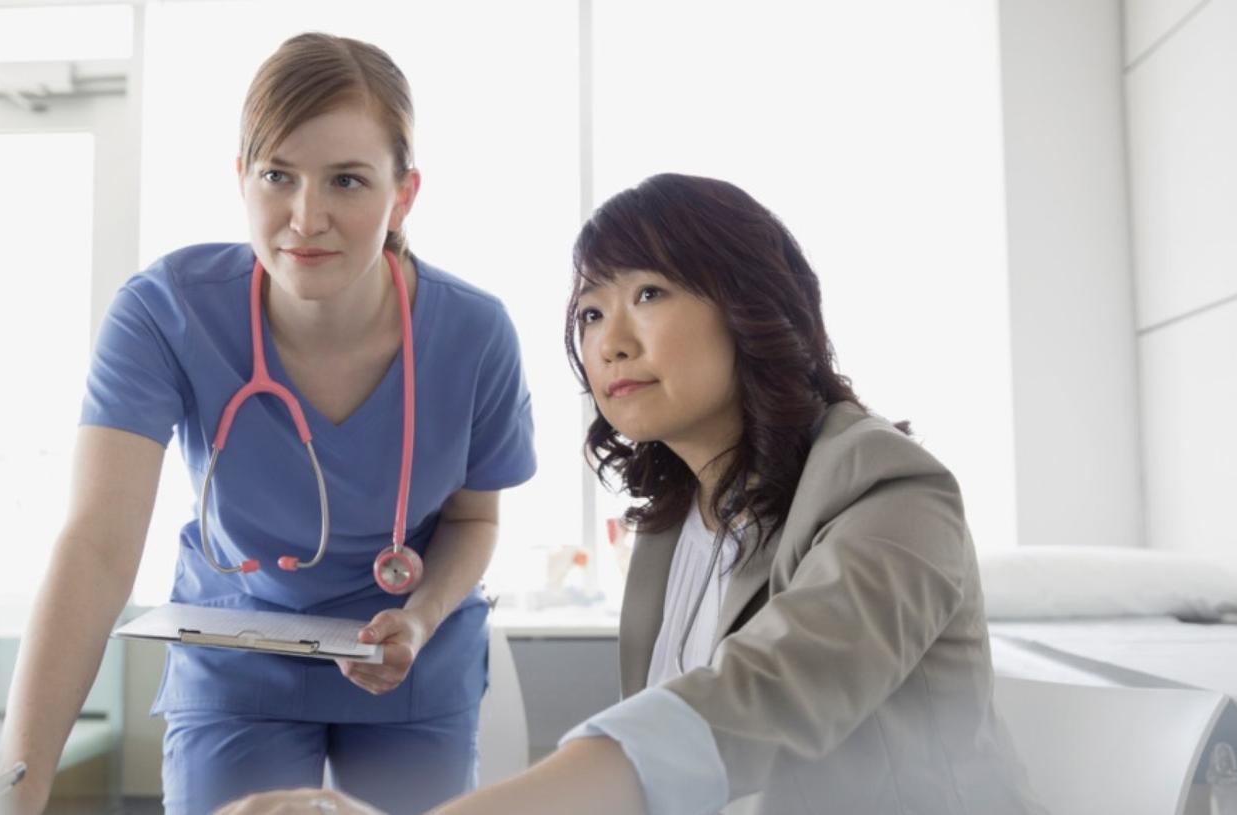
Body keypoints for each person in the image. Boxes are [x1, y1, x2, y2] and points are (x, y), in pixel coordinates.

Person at [216, 173, 1046, 815]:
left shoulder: (888, 490)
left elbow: (755, 700)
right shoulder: (673, 527)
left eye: (649, 293)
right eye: (588, 311)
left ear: (752, 305)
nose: (609, 341)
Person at [0, 33, 535, 815]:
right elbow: (97, 544)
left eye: (347, 180)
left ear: (403, 194)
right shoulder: (167, 313)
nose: (304, 217)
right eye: (278, 174)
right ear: (241, 176)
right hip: (238, 652)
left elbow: (474, 518)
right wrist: (19, 778)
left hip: (407, 656)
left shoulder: (474, 334)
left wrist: (416, 618)